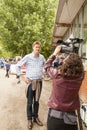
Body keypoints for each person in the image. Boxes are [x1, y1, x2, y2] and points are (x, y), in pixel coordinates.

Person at [44, 45, 84, 130]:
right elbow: (79, 67)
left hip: (54, 116)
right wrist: (76, 58)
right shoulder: (80, 76)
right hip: (71, 117)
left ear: (66, 63)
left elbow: (47, 66)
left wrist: (55, 53)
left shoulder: (57, 74)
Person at [16, 41, 46, 129]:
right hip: (30, 83)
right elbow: (18, 66)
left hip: (39, 83)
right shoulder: (28, 57)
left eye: (39, 47)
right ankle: (29, 119)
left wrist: (43, 73)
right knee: (29, 103)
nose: (38, 49)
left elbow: (45, 66)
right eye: (36, 47)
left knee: (36, 102)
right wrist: (23, 77)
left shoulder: (42, 57)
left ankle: (35, 118)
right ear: (33, 47)